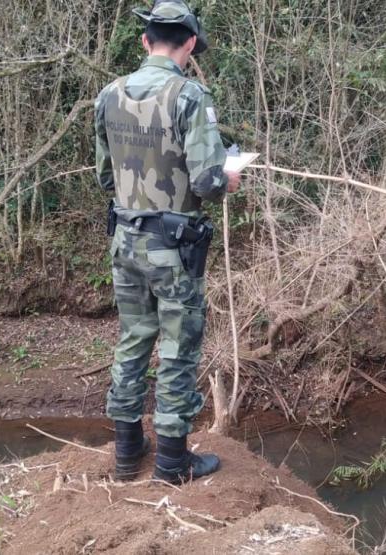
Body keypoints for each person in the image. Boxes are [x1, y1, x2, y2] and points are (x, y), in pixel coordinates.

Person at [94, 0, 241, 484]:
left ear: (145, 41)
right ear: (191, 44)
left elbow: (102, 177)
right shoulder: (189, 96)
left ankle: (126, 453)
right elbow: (206, 183)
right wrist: (230, 175)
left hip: (125, 241)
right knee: (178, 348)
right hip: (174, 249)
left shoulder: (108, 95)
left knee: (133, 338)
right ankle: (173, 464)